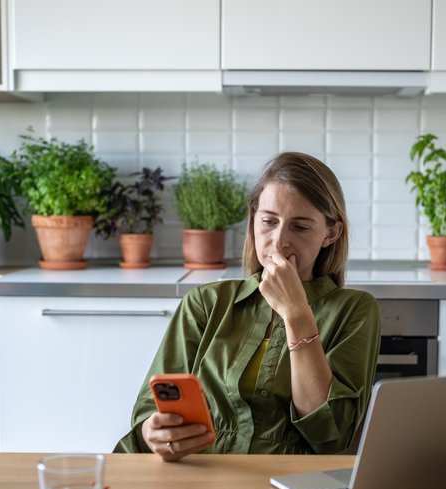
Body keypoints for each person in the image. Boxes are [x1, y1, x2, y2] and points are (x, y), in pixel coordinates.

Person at [114, 152, 381, 459]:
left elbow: (330, 433)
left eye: (300, 227)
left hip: (289, 484)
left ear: (330, 233)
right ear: (254, 219)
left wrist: (296, 313)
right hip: (199, 473)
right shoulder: (205, 302)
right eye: (269, 222)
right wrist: (153, 430)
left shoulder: (356, 310)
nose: (279, 242)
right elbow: (150, 408)